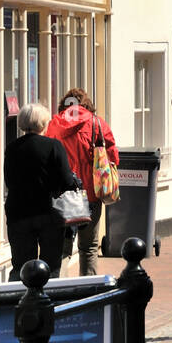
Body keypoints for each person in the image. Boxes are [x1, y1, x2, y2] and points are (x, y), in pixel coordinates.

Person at [46, 87, 119, 276]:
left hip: (63, 194)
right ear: (85, 104)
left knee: (62, 249)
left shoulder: (54, 125)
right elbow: (113, 157)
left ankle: (59, 289)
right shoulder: (97, 124)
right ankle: (88, 292)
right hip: (91, 193)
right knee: (89, 248)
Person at [4, 102, 81, 282]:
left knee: (21, 266)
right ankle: (48, 304)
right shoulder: (54, 146)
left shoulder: (12, 148)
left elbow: (9, 181)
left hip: (19, 213)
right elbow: (67, 181)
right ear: (43, 123)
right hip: (50, 214)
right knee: (51, 266)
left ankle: (19, 303)